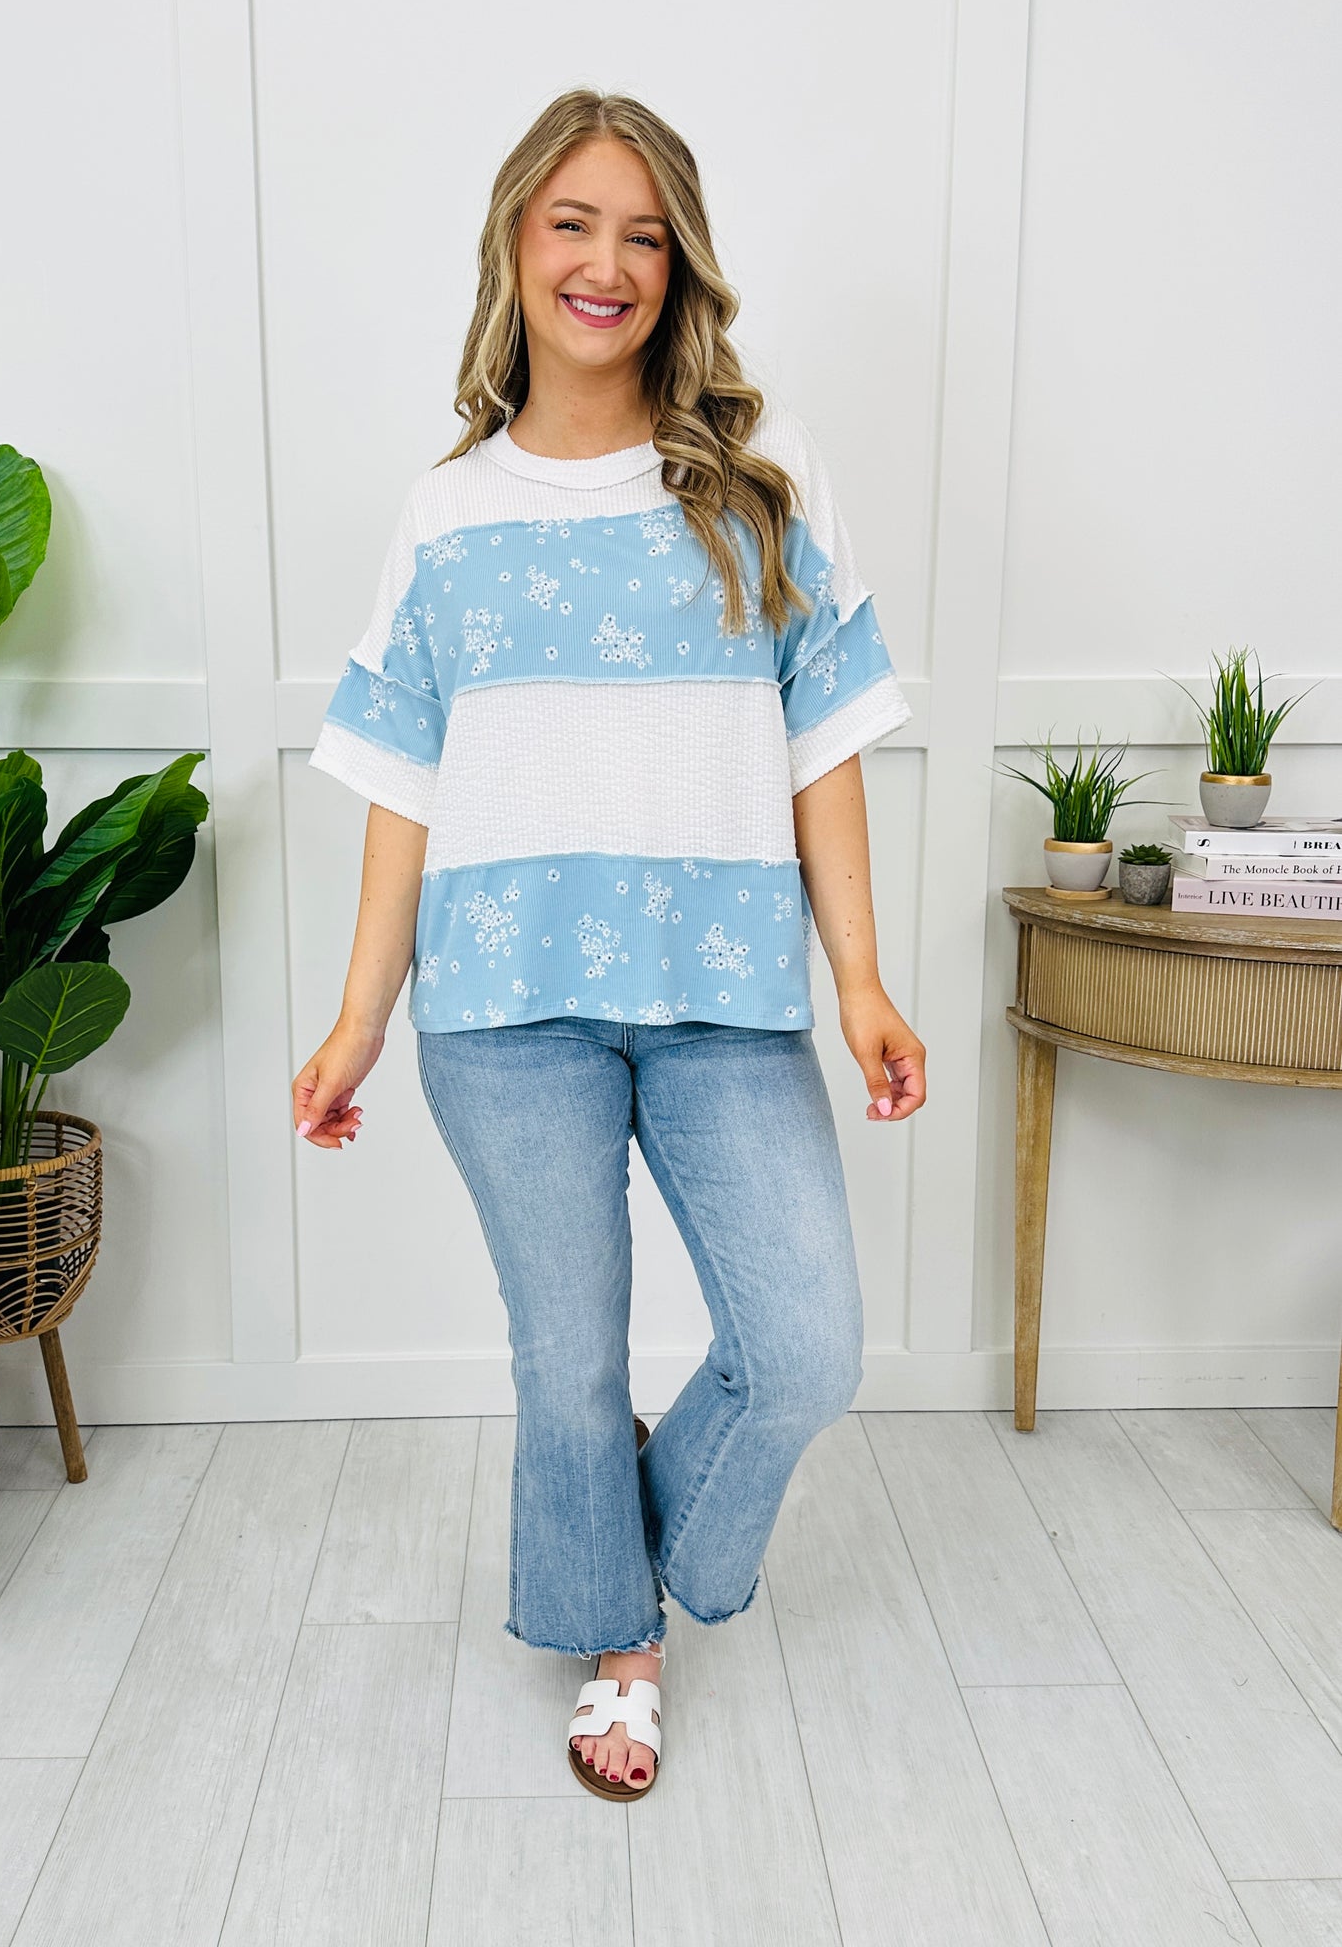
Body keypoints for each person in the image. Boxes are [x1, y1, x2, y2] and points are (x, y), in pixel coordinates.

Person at [292, 87, 927, 1802]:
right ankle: (618, 1653)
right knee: (567, 1360)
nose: (609, 263)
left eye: (646, 234)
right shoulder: (446, 514)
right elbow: (403, 786)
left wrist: (862, 983)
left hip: (725, 996)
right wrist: (357, 1021)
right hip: (503, 1008)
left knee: (805, 1348)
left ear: (682, 265)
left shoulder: (761, 480)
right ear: (516, 242)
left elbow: (823, 748)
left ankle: (616, 1545)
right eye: (574, 223)